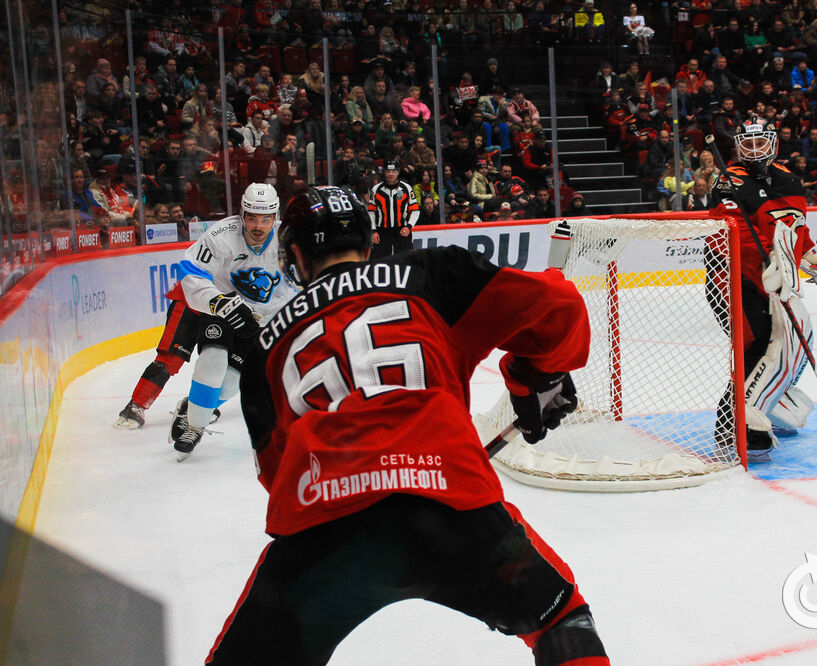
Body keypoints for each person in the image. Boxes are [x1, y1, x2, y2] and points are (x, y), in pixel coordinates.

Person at [209, 185, 609, 666]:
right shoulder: (434, 273)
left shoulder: (263, 352)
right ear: (369, 240)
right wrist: (531, 378)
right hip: (452, 507)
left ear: (295, 253)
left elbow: (276, 476)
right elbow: (559, 308)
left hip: (324, 530)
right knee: (560, 619)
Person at [709, 117, 817, 461]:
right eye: (749, 143)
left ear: (773, 144)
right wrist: (769, 261)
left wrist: (814, 258)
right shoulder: (728, 182)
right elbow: (732, 236)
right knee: (758, 345)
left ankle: (772, 401)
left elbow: (797, 228)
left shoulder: (789, 180)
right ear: (739, 146)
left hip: (775, 283)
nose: (756, 150)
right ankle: (733, 425)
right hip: (731, 280)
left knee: (793, 344)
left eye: (762, 143)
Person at [166, 183, 298, 459]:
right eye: (252, 218)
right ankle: (194, 425)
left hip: (265, 319)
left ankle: (193, 406)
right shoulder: (221, 235)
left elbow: (306, 279)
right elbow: (190, 270)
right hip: (225, 307)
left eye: (265, 219)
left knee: (230, 383)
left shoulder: (290, 238)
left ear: (275, 217)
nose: (258, 226)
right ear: (242, 215)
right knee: (212, 358)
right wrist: (217, 301)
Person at [368, 161, 419, 259]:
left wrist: (409, 226)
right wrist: (374, 231)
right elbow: (371, 211)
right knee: (379, 261)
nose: (391, 174)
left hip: (401, 229)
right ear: (384, 173)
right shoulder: (376, 189)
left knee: (407, 260)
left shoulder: (406, 188)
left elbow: (415, 210)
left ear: (398, 172)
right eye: (388, 171)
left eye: (393, 171)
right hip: (382, 231)